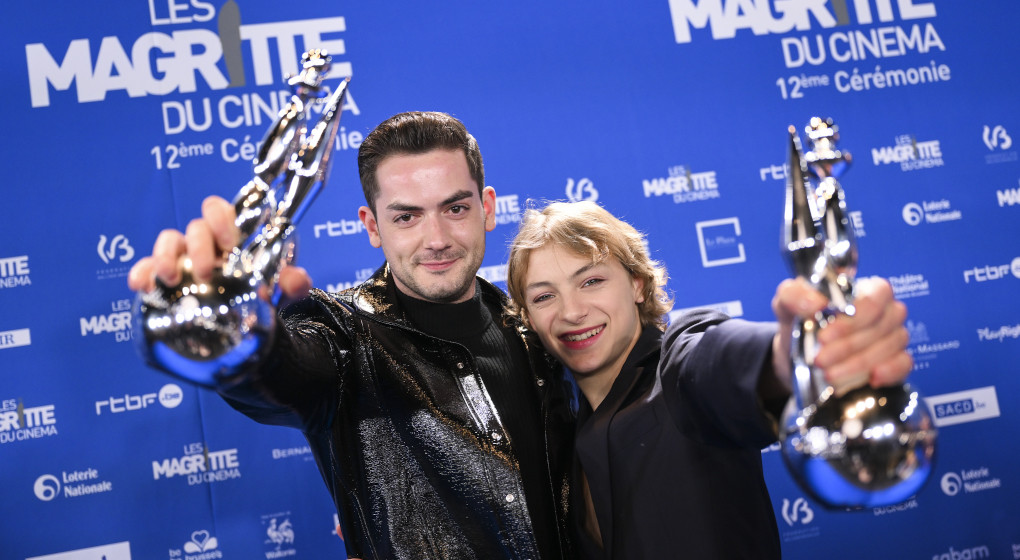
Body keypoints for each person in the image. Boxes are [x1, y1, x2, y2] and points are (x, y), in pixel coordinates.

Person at [128, 112, 574, 560]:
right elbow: (280, 372)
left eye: (455, 208)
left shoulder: (533, 330)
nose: (436, 238)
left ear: (487, 208)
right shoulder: (342, 335)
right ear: (372, 226)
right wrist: (223, 328)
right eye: (407, 217)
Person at [504, 201, 914, 559]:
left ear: (637, 284)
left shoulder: (676, 369)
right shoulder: (561, 438)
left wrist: (796, 355)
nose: (571, 311)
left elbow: (719, 361)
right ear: (529, 320)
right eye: (544, 296)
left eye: (591, 281)